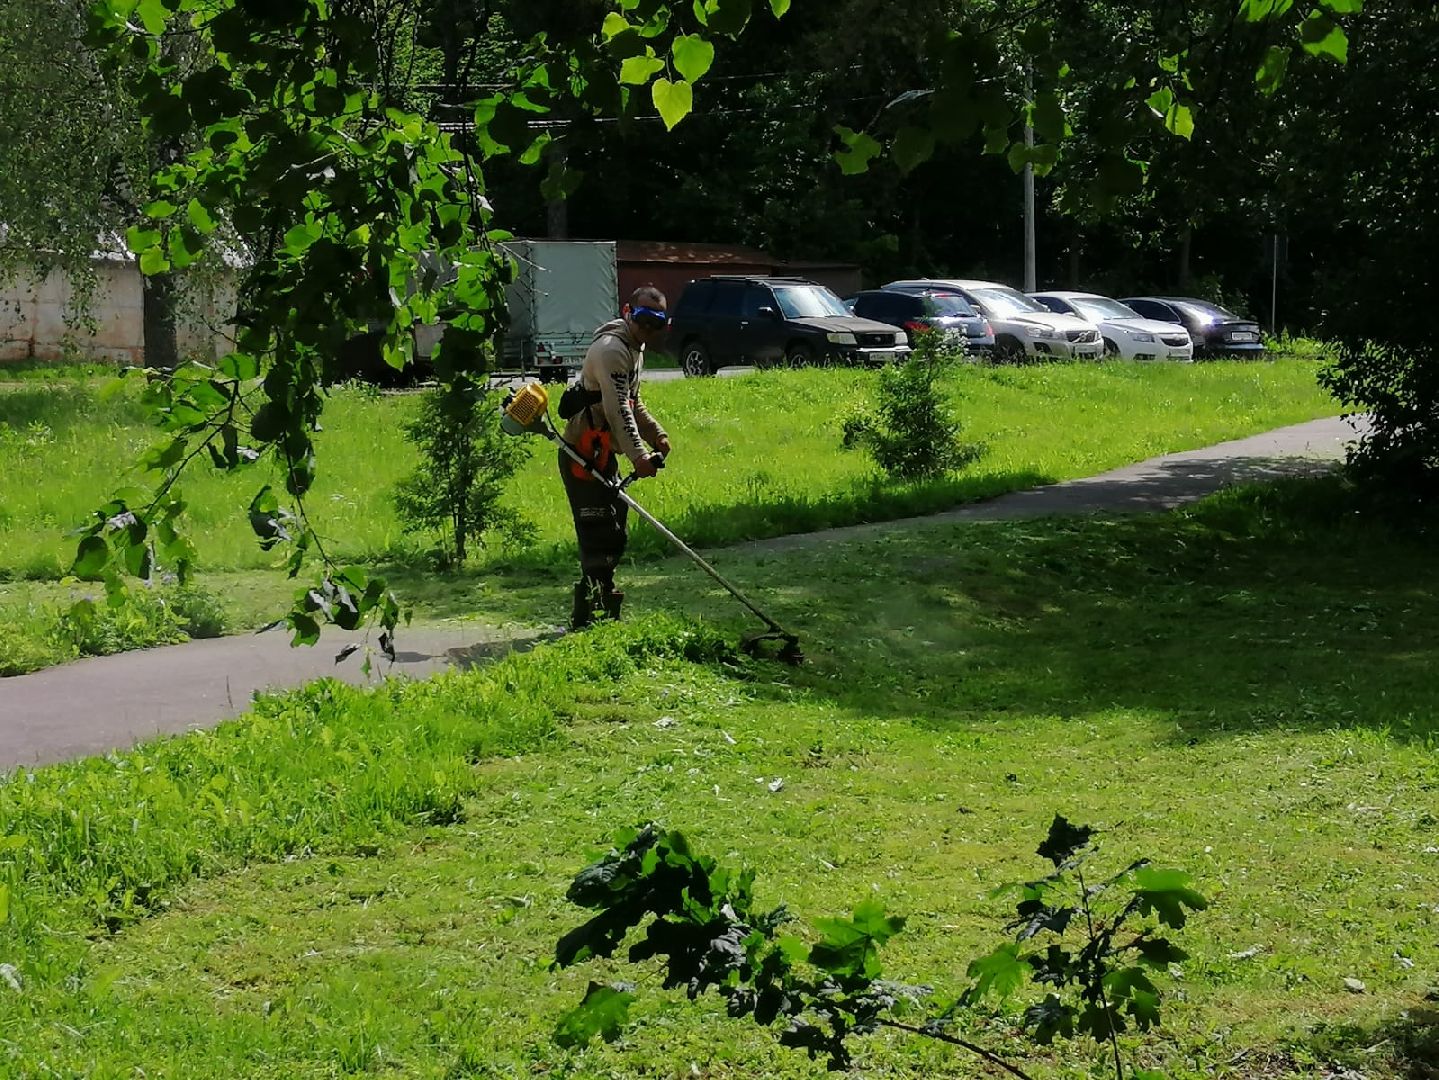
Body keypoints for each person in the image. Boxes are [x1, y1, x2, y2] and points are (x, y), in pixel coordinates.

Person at [558, 284, 672, 629]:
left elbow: (634, 404)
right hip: (581, 456)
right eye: (643, 319)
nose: (648, 329)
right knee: (597, 530)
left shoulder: (634, 349)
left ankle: (601, 599)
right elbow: (617, 407)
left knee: (614, 525)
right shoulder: (611, 350)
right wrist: (640, 456)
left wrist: (658, 435)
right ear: (628, 312)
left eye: (658, 322)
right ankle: (589, 611)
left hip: (602, 454)